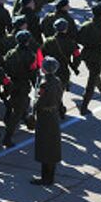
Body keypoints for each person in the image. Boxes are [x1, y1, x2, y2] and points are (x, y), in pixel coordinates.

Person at [30, 57, 64, 186]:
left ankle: (46, 178)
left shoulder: (44, 84)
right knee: (53, 147)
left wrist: (33, 109)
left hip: (45, 116)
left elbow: (40, 101)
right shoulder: (57, 81)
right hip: (54, 115)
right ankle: (50, 177)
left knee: (45, 147)